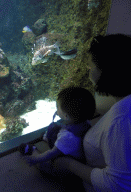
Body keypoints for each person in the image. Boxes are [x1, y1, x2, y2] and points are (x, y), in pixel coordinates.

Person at [50, 34, 131, 192]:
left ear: (107, 71)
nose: (88, 68)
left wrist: (68, 163)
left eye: (91, 64)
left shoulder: (119, 120)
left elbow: (119, 184)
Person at [20, 87, 95, 165]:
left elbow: (51, 153)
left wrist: (35, 160)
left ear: (66, 116)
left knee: (47, 164)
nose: (56, 108)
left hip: (69, 163)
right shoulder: (84, 121)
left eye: (58, 106)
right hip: (76, 150)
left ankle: (32, 150)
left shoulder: (67, 136)